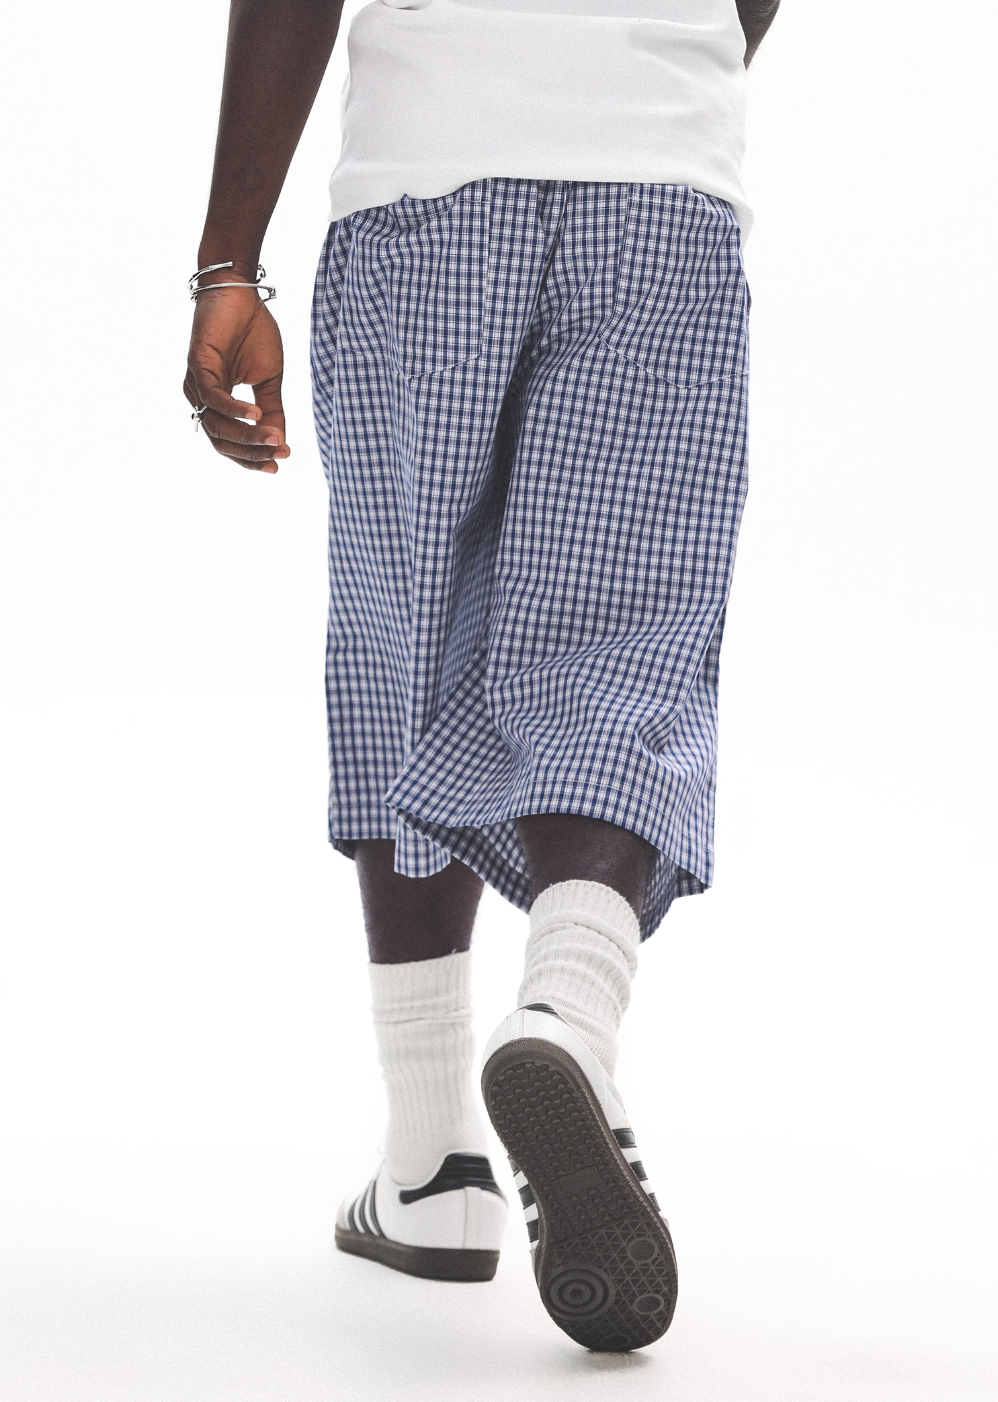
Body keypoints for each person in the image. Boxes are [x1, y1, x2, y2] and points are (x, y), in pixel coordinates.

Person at [184, 0, 779, 1354]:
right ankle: (567, 1011)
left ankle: (433, 1161)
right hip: (663, 189)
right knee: (618, 644)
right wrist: (659, 78)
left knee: (406, 638)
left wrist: (228, 259)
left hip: (425, 182)